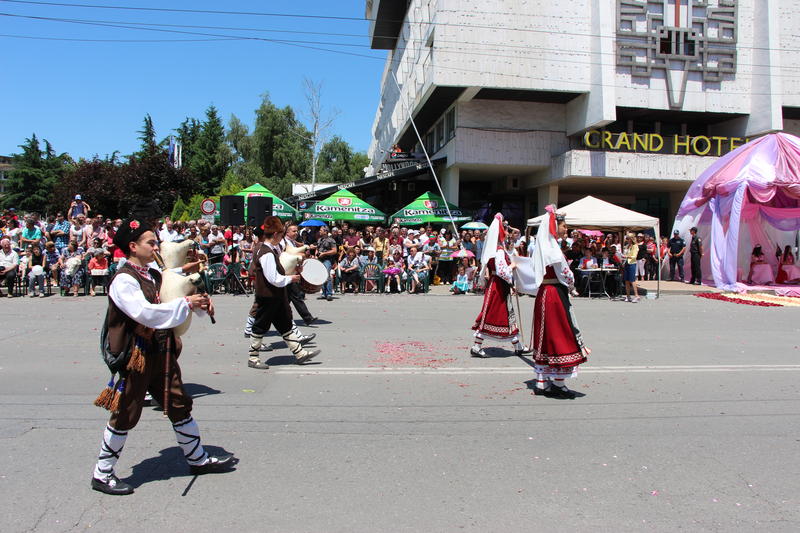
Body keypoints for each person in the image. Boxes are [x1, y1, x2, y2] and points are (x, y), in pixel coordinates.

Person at [90, 217, 232, 496]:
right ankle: (102, 473)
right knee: (126, 412)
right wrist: (185, 302)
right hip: (137, 355)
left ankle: (197, 458)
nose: (156, 247)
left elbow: (175, 300)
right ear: (133, 246)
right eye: (150, 242)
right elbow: (145, 313)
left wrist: (200, 302)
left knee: (179, 402)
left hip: (161, 351)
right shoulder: (124, 281)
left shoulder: (153, 274)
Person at [527, 205, 590, 399]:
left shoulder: (542, 245)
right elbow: (565, 273)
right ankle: (558, 383)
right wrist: (571, 285)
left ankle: (541, 381)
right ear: (555, 226)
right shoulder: (552, 247)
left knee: (544, 335)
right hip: (554, 294)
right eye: (564, 226)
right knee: (559, 334)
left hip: (544, 294)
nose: (566, 230)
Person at [247, 216, 320, 370]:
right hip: (268, 295)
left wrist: (294, 269)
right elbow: (273, 278)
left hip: (275, 295)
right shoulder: (266, 252)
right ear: (275, 235)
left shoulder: (268, 249)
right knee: (260, 326)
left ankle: (300, 353)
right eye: (280, 235)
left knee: (285, 324)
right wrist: (290, 278)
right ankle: (253, 358)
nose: (281, 238)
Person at [470, 213, 527, 358]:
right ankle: (476, 346)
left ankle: (518, 346)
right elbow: (502, 271)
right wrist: (513, 266)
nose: (507, 233)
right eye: (505, 230)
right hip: (498, 286)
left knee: (507, 315)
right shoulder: (499, 250)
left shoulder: (494, 248)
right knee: (492, 315)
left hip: (497, 285)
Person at [282, 223, 317, 326]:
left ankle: (306, 318)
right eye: (293, 231)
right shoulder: (284, 242)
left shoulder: (292, 242)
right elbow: (286, 256)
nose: (296, 233)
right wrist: (300, 255)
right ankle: (307, 318)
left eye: (297, 231)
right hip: (286, 273)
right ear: (287, 232)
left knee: (291, 297)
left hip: (292, 272)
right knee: (295, 296)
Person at [316, 226, 337, 302]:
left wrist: (324, 253)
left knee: (327, 276)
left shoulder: (331, 240)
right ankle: (324, 293)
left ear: (325, 232)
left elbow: (334, 251)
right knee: (321, 276)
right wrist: (316, 254)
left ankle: (329, 293)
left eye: (321, 230)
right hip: (320, 259)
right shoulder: (319, 239)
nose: (319, 231)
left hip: (327, 259)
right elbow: (318, 249)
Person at [622, 233, 640, 303]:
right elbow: (626, 254)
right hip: (626, 263)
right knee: (626, 280)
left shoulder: (635, 246)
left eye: (628, 238)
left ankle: (636, 295)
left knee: (632, 280)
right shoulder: (627, 246)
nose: (627, 240)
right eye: (626, 238)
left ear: (631, 239)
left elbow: (634, 256)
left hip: (632, 263)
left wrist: (626, 256)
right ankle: (628, 295)